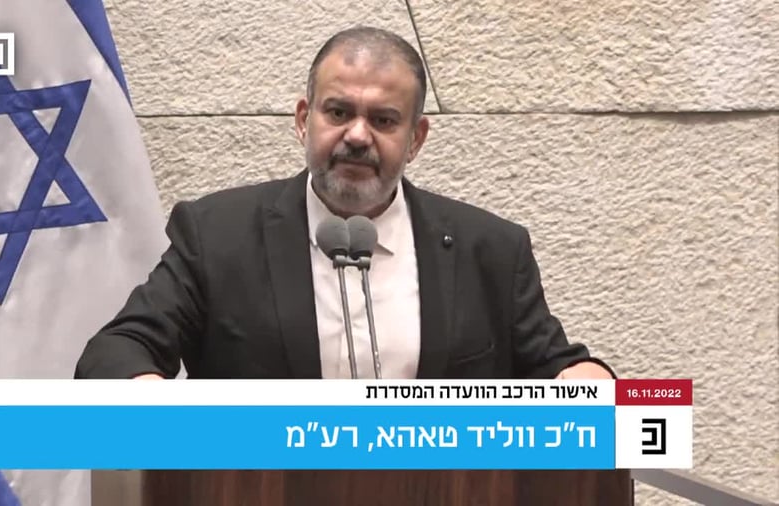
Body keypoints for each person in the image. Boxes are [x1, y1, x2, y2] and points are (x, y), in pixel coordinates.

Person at [74, 26, 615, 381]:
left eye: (383, 120)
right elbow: (115, 351)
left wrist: (593, 388)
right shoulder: (216, 234)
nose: (357, 136)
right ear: (303, 119)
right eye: (338, 112)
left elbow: (559, 370)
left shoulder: (491, 249)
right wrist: (156, 403)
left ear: (416, 138)